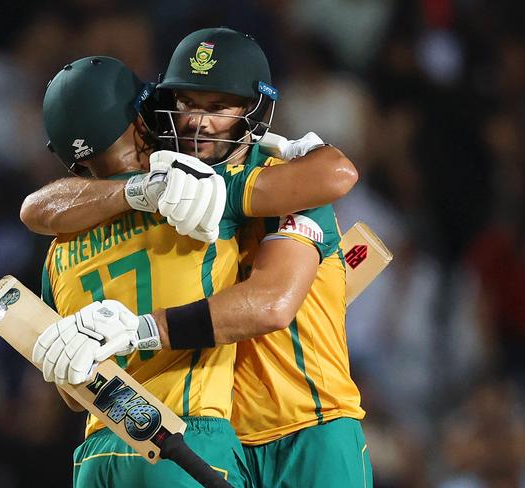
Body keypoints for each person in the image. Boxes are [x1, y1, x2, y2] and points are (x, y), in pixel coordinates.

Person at [27, 29, 359, 487]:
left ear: (253, 111)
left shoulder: (285, 183)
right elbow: (37, 207)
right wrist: (140, 190)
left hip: (309, 428)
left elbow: (271, 305)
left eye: (218, 106)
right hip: (216, 446)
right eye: (186, 103)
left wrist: (137, 330)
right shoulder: (171, 189)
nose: (197, 122)